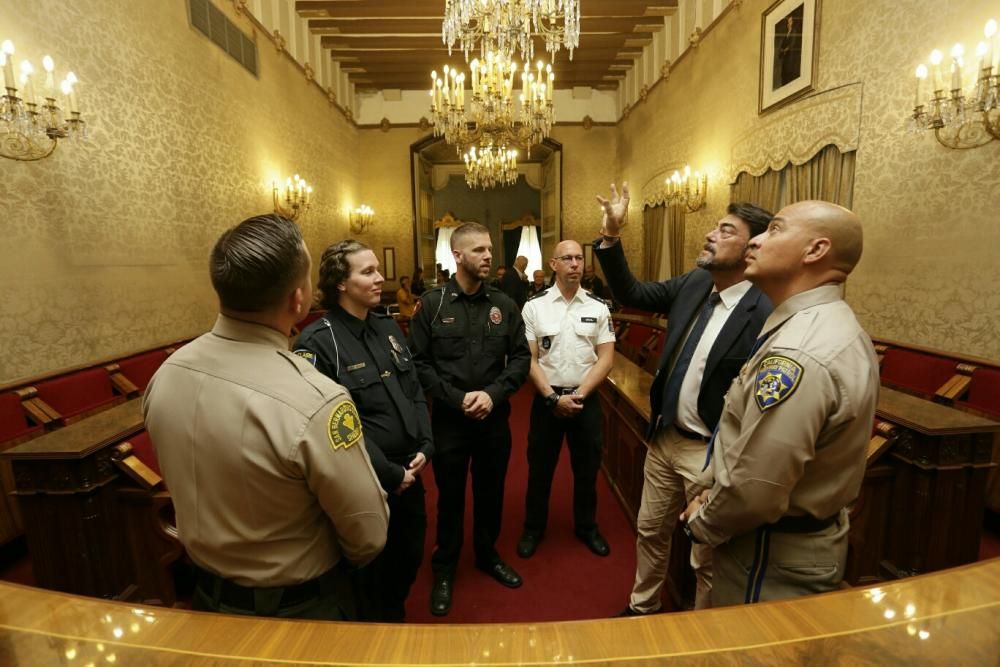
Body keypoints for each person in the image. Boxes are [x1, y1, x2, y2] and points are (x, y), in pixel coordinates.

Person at [143, 214, 388, 620]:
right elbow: (369, 534)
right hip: (300, 607)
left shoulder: (167, 375)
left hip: (204, 599)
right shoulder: (316, 399)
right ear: (298, 298)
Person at [680, 200, 879, 607]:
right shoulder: (807, 324)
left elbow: (756, 488)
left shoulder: (800, 352)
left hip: (769, 553)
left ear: (815, 251)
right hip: (775, 542)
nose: (754, 241)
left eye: (773, 230)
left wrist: (702, 520)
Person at [594, 183, 773, 614]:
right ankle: (642, 607)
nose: (711, 234)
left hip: (711, 452)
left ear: (753, 248)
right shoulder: (695, 282)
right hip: (665, 438)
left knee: (708, 556)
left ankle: (701, 631)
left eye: (725, 230)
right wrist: (613, 236)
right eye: (715, 227)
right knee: (650, 530)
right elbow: (633, 295)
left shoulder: (765, 310)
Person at [293, 240, 433, 622]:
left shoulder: (387, 326)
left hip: (411, 471)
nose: (379, 278)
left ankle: (391, 615)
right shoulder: (318, 342)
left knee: (409, 557)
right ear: (340, 282)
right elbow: (331, 423)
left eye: (378, 269)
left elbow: (414, 388)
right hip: (367, 480)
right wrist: (391, 474)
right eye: (367, 272)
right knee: (371, 575)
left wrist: (426, 441)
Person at [408, 221, 531, 616]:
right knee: (451, 497)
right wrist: (458, 399)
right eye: (479, 250)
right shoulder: (432, 305)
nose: (489, 256)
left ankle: (487, 554)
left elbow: (522, 360)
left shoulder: (504, 306)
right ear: (457, 255)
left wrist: (492, 395)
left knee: (491, 492)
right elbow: (419, 364)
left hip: (494, 421)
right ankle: (445, 566)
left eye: (490, 249)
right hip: (450, 423)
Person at [516, 240, 616, 560]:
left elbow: (606, 358)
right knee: (539, 470)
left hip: (584, 397)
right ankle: (533, 529)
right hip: (547, 400)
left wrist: (578, 395)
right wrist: (550, 398)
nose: (575, 263)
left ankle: (587, 527)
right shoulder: (534, 306)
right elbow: (529, 358)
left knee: (587, 470)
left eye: (579, 258)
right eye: (567, 258)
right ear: (554, 264)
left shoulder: (598, 307)